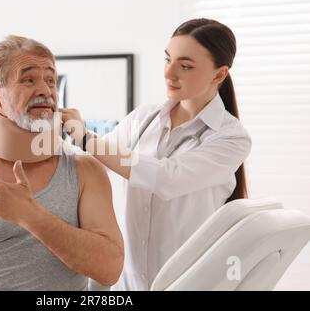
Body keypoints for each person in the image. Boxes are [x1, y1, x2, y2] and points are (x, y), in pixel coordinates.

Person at [0, 35, 124, 291]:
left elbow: (110, 269)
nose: (45, 90)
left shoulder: (85, 172)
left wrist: (29, 214)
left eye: (50, 80)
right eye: (28, 79)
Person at [61, 18, 252, 290]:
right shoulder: (143, 118)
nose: (169, 73)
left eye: (185, 66)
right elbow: (92, 164)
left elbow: (167, 178)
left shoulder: (231, 138)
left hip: (186, 284)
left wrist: (86, 139)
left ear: (219, 75)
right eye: (167, 59)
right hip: (127, 285)